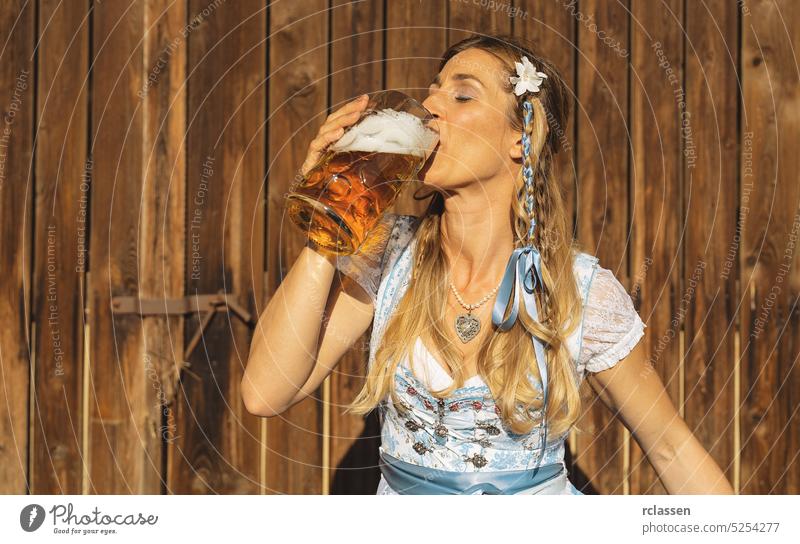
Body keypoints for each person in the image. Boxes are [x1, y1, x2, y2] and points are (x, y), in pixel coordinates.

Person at [242, 33, 734, 495]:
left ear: (520, 139)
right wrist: (328, 219)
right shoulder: (387, 257)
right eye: (432, 92)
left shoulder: (577, 291)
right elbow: (265, 395)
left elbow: (670, 447)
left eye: (462, 96)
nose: (430, 106)